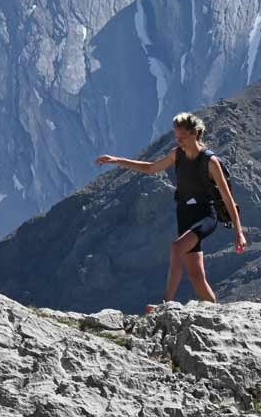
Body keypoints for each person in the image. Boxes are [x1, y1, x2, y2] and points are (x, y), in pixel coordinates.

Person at [94, 111, 246, 306]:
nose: (179, 140)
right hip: (184, 215)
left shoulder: (210, 161)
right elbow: (150, 168)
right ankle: (215, 309)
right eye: (176, 136)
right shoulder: (177, 154)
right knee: (197, 277)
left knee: (176, 247)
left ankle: (165, 304)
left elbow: (227, 197)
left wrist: (238, 232)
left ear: (194, 133)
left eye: (182, 136)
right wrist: (117, 160)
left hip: (205, 216)